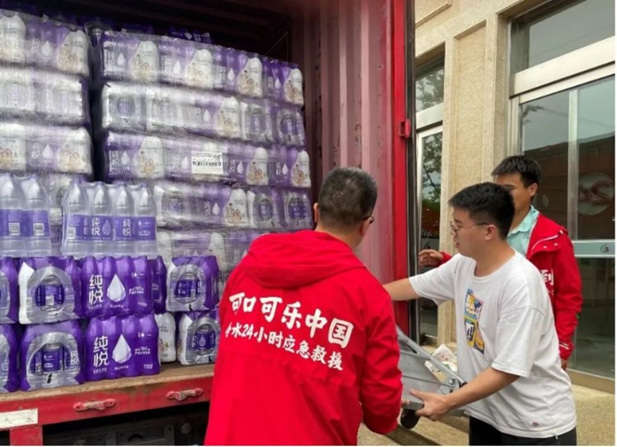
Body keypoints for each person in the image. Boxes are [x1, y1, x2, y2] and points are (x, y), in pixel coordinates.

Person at [205, 168, 402, 445]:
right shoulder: (369, 296)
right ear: (365, 225)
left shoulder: (247, 269)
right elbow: (381, 409)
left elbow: (227, 324)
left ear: (316, 211)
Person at [385, 182, 577, 446]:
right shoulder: (464, 264)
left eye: (458, 226)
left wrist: (447, 401)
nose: (452, 233)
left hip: (533, 426)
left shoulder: (520, 285)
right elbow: (414, 286)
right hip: (486, 413)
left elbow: (507, 370)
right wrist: (359, 296)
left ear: (489, 231)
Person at [419, 155, 583, 369]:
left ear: (532, 189)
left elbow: (569, 296)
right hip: (490, 336)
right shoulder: (488, 226)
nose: (501, 196)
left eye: (508, 189)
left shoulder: (553, 238)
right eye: (498, 189)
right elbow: (486, 265)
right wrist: (446, 261)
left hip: (533, 341)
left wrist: (561, 348)